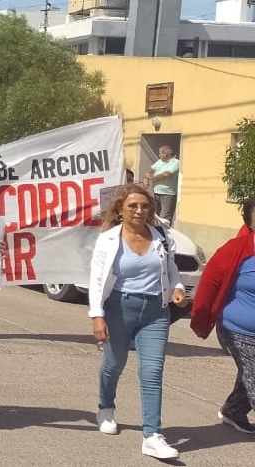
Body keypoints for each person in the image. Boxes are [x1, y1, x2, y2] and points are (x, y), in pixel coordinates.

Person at [88, 183, 185, 459]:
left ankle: (152, 435)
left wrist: (177, 288)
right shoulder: (108, 239)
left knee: (152, 373)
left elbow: (171, 271)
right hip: (119, 307)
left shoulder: (161, 237)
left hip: (156, 311)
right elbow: (96, 281)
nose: (139, 211)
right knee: (114, 363)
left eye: (144, 206)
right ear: (120, 210)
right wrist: (97, 315)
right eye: (132, 206)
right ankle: (105, 406)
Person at [191, 198, 255, 434]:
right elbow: (209, 284)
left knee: (249, 371)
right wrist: (201, 319)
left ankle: (234, 411)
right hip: (238, 329)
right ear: (250, 221)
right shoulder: (236, 250)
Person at [143, 146, 180, 225]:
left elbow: (166, 174)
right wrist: (146, 178)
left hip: (168, 194)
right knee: (155, 215)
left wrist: (152, 177)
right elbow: (150, 169)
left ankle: (164, 235)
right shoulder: (160, 161)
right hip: (156, 193)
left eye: (160, 153)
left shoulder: (176, 162)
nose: (159, 155)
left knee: (164, 217)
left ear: (165, 154)